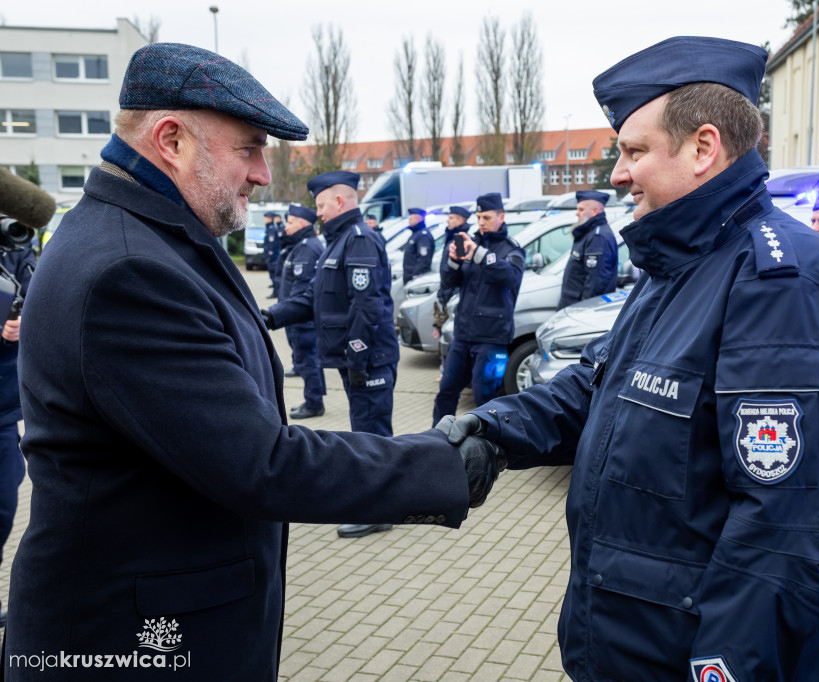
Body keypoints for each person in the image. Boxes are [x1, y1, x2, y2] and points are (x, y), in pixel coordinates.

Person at [5, 43, 472, 681]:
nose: (261, 174)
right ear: (171, 139)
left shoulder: (151, 237)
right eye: (248, 148)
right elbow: (262, 464)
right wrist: (449, 462)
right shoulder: (128, 268)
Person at [437, 36, 819, 681]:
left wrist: (720, 672)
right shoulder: (676, 264)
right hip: (628, 647)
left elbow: (792, 533)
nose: (617, 173)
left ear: (704, 148)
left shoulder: (781, 284)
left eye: (633, 150)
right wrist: (493, 430)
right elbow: (597, 387)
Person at [264, 170, 400, 539]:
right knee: (365, 431)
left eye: (321, 205)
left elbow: (366, 308)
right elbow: (313, 298)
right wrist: (271, 317)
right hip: (355, 361)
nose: (318, 213)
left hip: (367, 360)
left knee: (372, 437)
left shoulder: (358, 241)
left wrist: (357, 358)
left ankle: (380, 510)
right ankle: (376, 502)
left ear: (339, 202)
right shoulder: (338, 243)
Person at [431, 193, 525, 426]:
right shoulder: (471, 243)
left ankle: (487, 449)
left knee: (485, 397)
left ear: (501, 216)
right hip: (463, 334)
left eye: (486, 217)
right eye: (478, 216)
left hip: (492, 337)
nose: (481, 222)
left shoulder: (511, 249)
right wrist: (453, 261)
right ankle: (436, 442)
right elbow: (449, 282)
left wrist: (479, 255)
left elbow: (509, 277)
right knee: (446, 391)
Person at [0, 244, 34, 628]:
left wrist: (22, 320)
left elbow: (38, 293)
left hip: (3, 413)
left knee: (4, 507)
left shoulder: (15, 250)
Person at [278, 204, 327, 419]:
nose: (286, 228)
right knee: (309, 360)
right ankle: (315, 397)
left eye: (289, 223)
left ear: (301, 224)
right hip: (297, 316)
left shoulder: (307, 248)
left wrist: (285, 313)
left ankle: (313, 402)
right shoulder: (302, 245)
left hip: (300, 318)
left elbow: (302, 289)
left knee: (307, 360)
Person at [557, 190, 619, 310]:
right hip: (572, 306)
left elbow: (596, 283)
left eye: (581, 209)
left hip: (580, 309)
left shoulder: (598, 237)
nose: (577, 213)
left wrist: (583, 311)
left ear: (594, 211)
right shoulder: (589, 232)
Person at [433, 205, 472, 332]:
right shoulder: (453, 237)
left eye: (451, 218)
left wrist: (449, 297)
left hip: (453, 298)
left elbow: (458, 272)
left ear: (460, 221)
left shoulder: (460, 240)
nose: (447, 221)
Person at [402, 207, 435, 283]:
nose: (409, 222)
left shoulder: (423, 236)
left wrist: (416, 275)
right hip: (410, 275)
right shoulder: (416, 234)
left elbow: (424, 258)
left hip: (416, 277)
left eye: (411, 219)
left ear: (418, 219)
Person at [263, 210, 282, 298]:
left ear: (270, 219)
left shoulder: (271, 229)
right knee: (273, 276)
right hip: (272, 257)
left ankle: (276, 293)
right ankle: (276, 292)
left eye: (266, 218)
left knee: (274, 276)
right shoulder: (270, 228)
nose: (264, 220)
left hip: (273, 257)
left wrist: (270, 256)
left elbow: (272, 244)